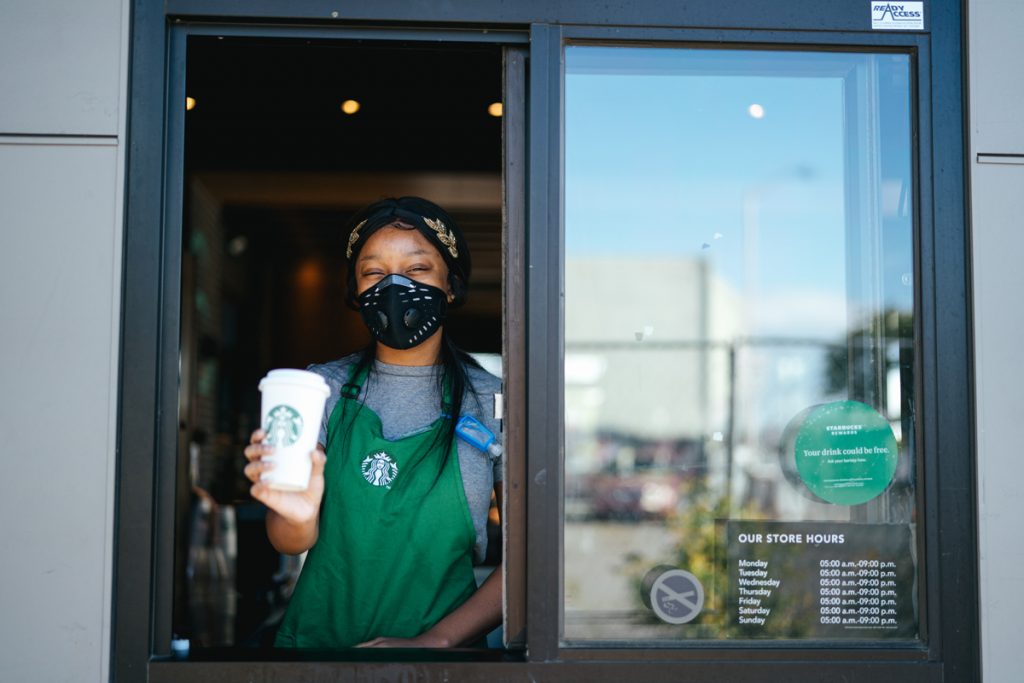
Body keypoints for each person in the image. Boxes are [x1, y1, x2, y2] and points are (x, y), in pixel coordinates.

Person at [243, 197, 503, 649]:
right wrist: (295, 514)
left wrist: (437, 641)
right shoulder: (318, 390)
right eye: (374, 273)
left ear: (452, 285)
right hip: (317, 655)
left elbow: (529, 558)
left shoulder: (492, 401)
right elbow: (287, 541)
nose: (395, 285)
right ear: (356, 293)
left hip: (446, 667)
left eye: (418, 269)